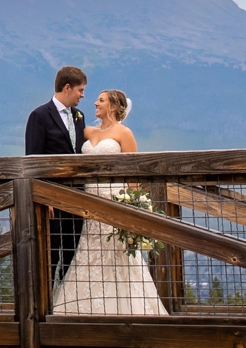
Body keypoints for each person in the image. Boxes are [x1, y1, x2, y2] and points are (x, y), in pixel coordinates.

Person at [50, 89, 166, 317]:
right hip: (88, 203)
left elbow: (133, 175)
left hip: (114, 203)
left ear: (113, 106)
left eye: (101, 100)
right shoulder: (87, 131)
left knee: (117, 255)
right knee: (88, 253)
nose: (95, 102)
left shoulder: (124, 133)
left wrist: (135, 208)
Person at [25, 66, 88, 286]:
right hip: (51, 199)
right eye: (80, 90)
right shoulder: (40, 116)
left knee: (73, 254)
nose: (82, 95)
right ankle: (46, 307)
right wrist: (43, 196)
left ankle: (66, 304)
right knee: (50, 254)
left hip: (78, 198)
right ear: (67, 87)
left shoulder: (79, 117)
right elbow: (33, 159)